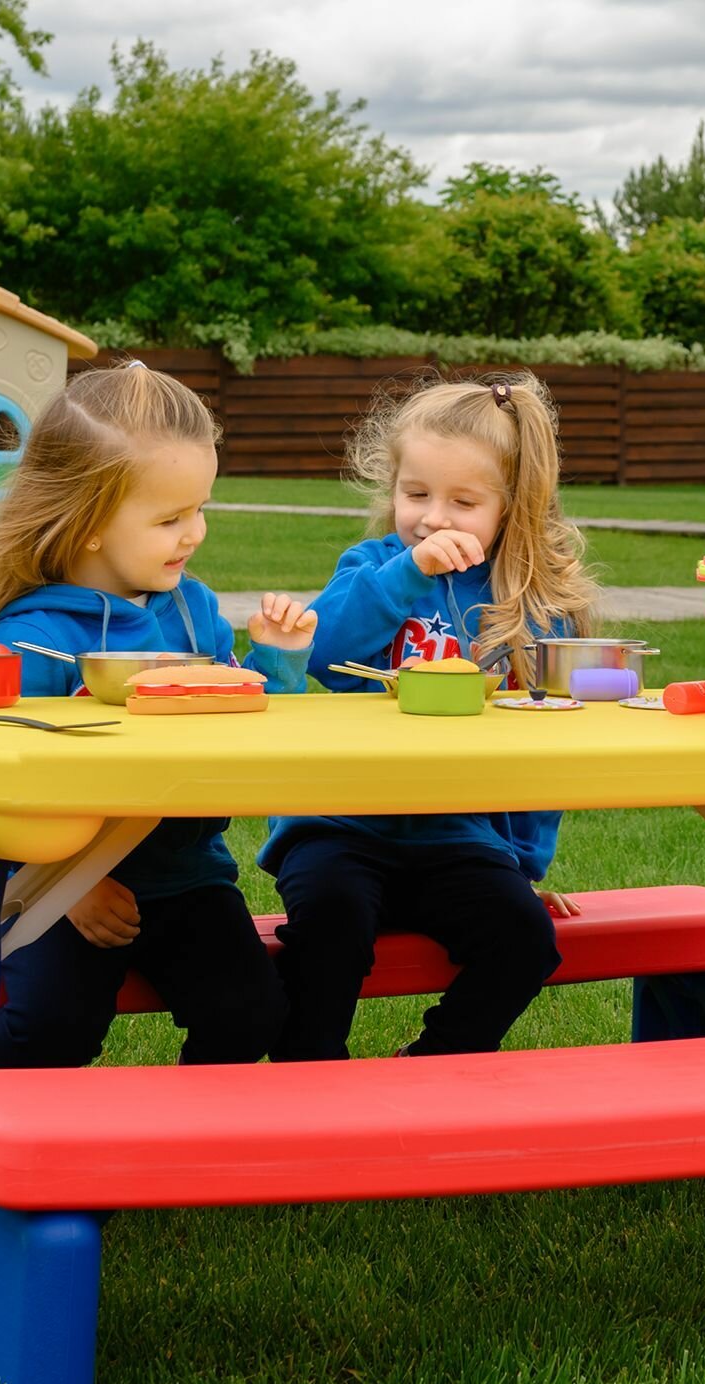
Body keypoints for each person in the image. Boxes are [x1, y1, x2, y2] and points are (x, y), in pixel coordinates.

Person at [0, 361, 317, 1068]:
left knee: (252, 1013)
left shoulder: (195, 610)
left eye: (200, 509)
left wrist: (276, 664)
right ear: (89, 522)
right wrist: (66, 883)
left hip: (188, 878)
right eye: (169, 519)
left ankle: (186, 1131)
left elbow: (244, 729)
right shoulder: (31, 642)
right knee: (50, 1033)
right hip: (62, 888)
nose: (195, 533)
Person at [260, 372, 598, 1061]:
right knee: (330, 928)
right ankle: (308, 1077)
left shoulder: (528, 605)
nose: (434, 518)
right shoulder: (373, 567)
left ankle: (432, 1069)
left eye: (463, 502)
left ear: (513, 506)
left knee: (524, 939)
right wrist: (407, 573)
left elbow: (545, 746)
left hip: (457, 835)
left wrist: (520, 866)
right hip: (341, 826)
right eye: (416, 494)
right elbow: (324, 651)